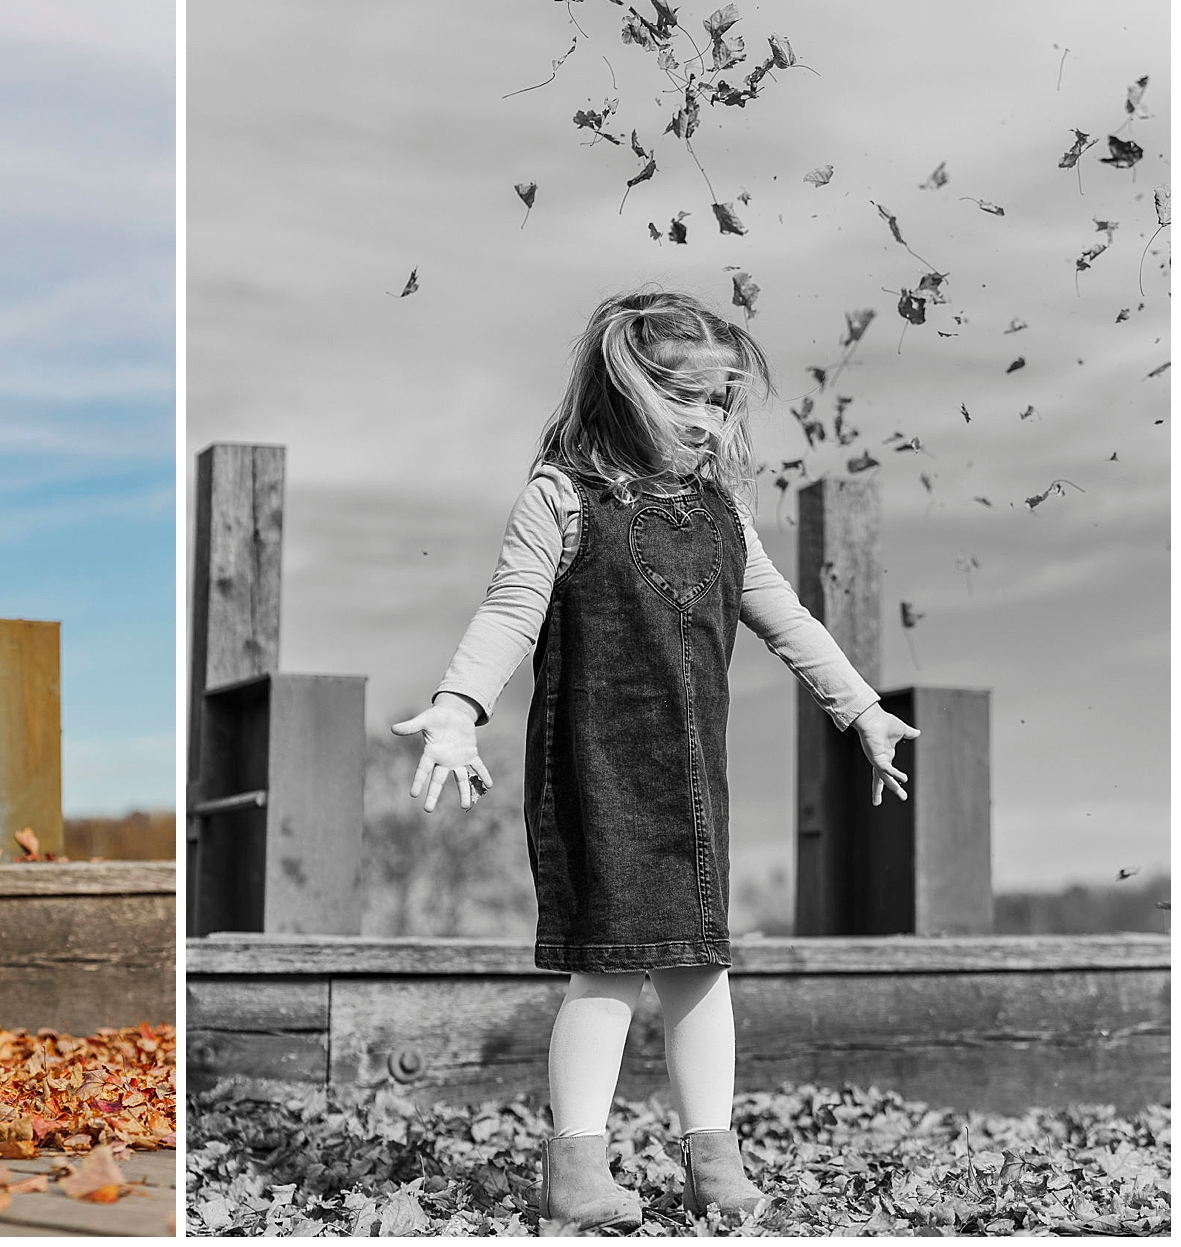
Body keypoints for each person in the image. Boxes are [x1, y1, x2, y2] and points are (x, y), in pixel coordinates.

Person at [391, 289, 918, 1230]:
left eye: (726, 406)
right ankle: (576, 1168)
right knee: (606, 972)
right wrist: (456, 709)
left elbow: (787, 618)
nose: (714, 424)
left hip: (693, 789)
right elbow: (510, 610)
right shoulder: (562, 498)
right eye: (694, 402)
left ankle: (712, 1160)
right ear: (631, 393)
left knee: (701, 971)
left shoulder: (723, 514)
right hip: (597, 776)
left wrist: (863, 708)